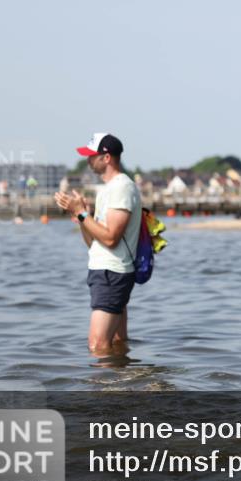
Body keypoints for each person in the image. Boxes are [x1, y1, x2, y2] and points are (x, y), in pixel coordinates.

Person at [54, 133, 142, 354]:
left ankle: (102, 389)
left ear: (106, 158)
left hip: (112, 273)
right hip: (106, 271)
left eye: (91, 156)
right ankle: (125, 385)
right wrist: (82, 218)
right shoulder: (108, 189)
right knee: (117, 343)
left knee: (97, 345)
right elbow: (94, 243)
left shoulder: (122, 187)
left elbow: (111, 238)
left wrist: (83, 214)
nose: (87, 160)